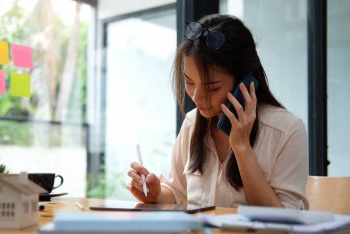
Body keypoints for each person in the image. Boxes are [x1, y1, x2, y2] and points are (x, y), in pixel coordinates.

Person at [127, 14, 309, 209]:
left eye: (211, 88)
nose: (196, 98)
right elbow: (178, 192)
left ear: (244, 81)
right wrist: (155, 195)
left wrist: (242, 148)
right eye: (189, 82)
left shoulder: (287, 130)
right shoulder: (192, 122)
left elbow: (285, 222)